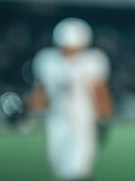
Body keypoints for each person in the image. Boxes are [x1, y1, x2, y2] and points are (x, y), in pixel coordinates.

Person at [24, 17, 113, 181]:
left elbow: (100, 95)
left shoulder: (92, 61)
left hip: (83, 123)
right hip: (56, 122)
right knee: (61, 170)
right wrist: (25, 107)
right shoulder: (48, 61)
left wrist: (103, 120)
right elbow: (41, 97)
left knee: (78, 171)